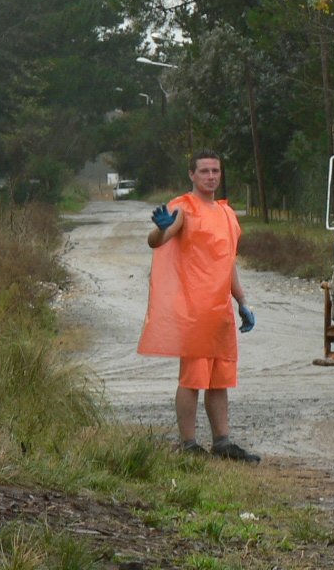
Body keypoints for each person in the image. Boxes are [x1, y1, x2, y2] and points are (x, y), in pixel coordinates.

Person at [137, 149, 260, 461]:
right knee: (192, 378)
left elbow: (227, 263)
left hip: (220, 312)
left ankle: (222, 442)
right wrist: (162, 227)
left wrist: (241, 301)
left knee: (220, 379)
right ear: (192, 175)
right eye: (204, 171)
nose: (211, 177)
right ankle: (189, 443)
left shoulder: (225, 214)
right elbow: (156, 241)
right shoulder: (184, 208)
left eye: (215, 171)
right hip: (192, 311)